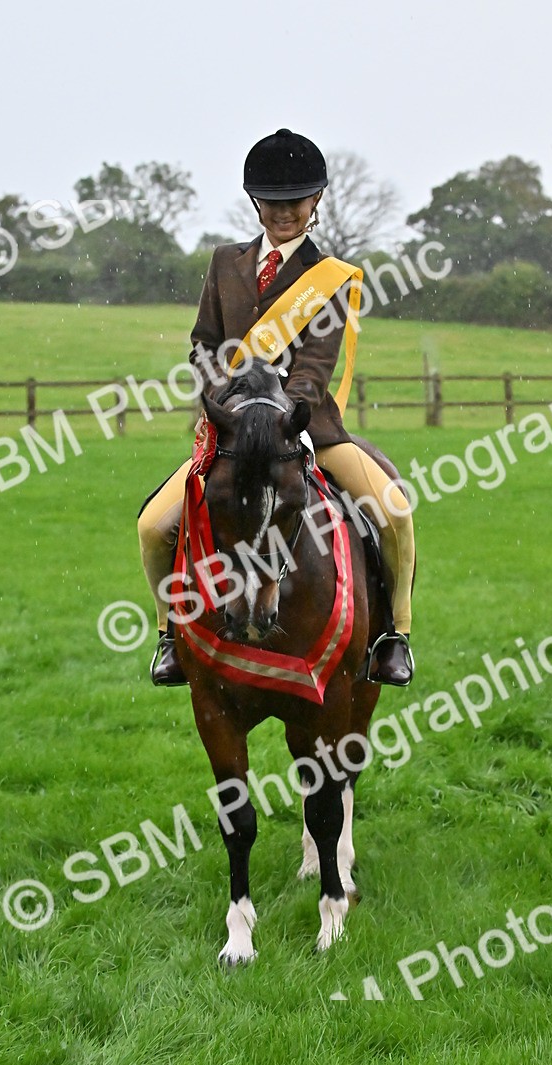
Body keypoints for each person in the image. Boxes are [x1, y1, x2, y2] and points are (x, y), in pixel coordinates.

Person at [138, 128, 415, 687]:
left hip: (302, 427)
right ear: (255, 203)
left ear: (314, 203)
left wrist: (274, 411)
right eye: (272, 202)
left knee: (395, 513)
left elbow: (315, 369)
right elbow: (204, 343)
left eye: (295, 202)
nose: (283, 213)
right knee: (151, 527)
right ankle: (170, 634)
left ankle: (395, 635)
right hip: (231, 431)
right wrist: (226, 403)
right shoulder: (223, 263)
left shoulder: (330, 279)